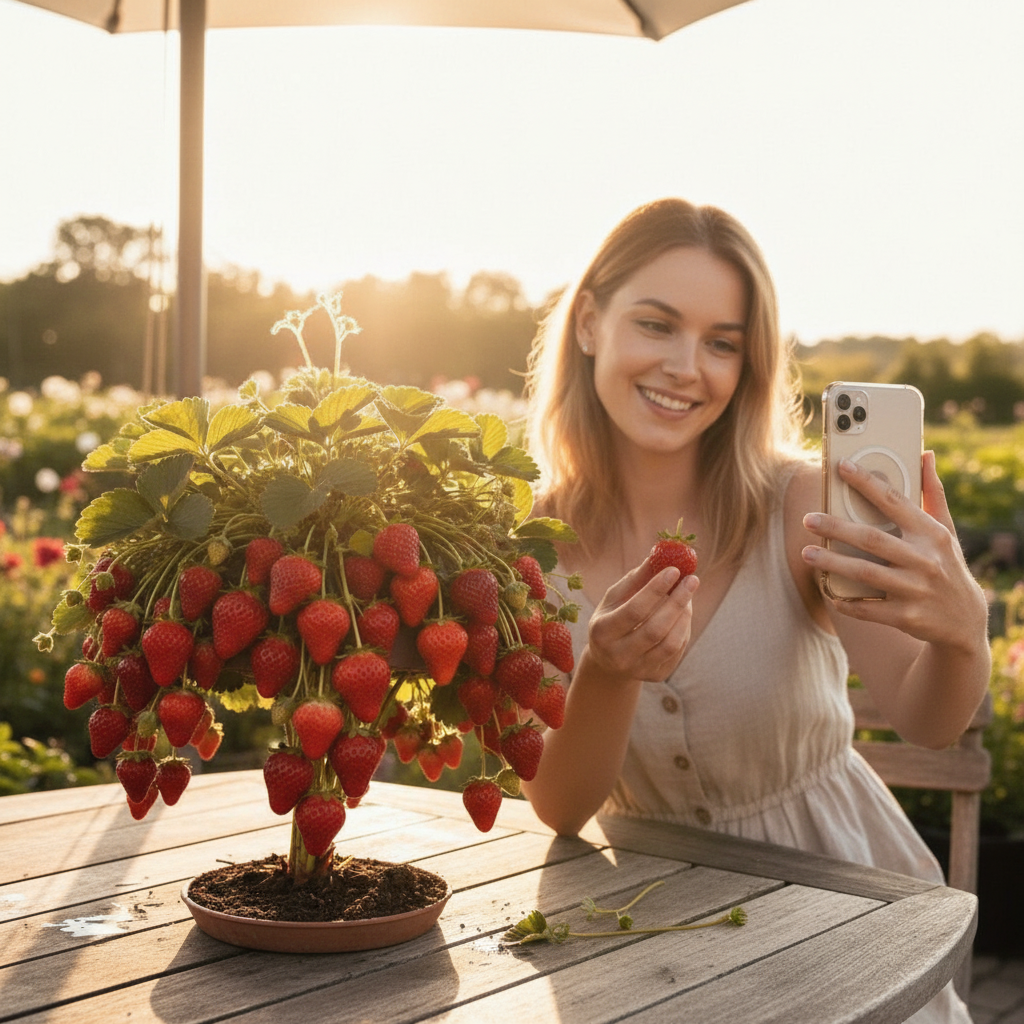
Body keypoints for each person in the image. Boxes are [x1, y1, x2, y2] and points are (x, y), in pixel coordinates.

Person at [521, 198, 990, 1024]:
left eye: (722, 343)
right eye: (657, 325)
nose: (685, 366)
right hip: (654, 941)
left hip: (843, 917)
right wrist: (606, 672)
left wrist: (962, 637)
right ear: (589, 322)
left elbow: (928, 720)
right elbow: (561, 808)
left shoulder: (800, 508)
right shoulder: (531, 548)